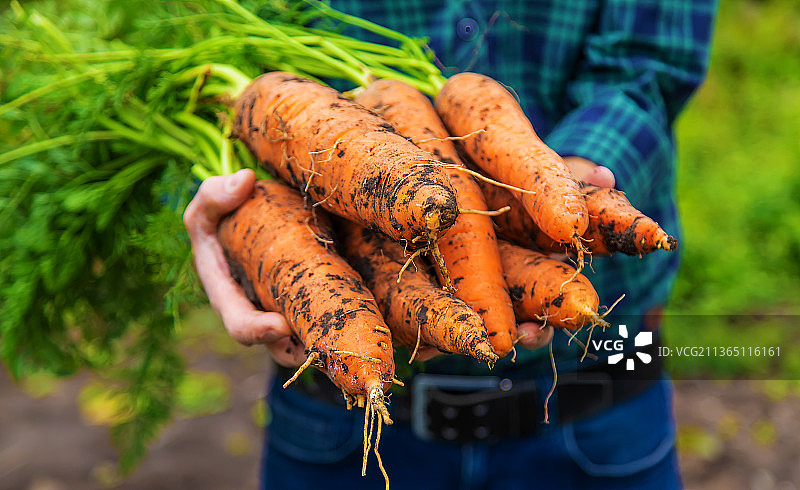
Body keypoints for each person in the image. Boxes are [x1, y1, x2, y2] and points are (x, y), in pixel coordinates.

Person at [183, 1, 716, 488]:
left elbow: (648, 63)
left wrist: (562, 183)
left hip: (600, 389)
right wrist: (220, 219)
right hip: (334, 393)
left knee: (493, 215)